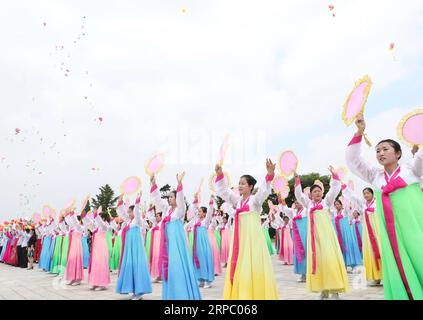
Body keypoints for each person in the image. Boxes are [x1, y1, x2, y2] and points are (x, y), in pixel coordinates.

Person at [346, 113, 423, 300]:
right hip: (391, 237)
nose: (380, 153)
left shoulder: (412, 170)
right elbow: (354, 161)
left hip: (414, 231)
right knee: (399, 270)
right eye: (378, 150)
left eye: (385, 149)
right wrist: (359, 132)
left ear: (398, 153)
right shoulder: (375, 177)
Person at [214, 159, 279, 300]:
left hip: (253, 242)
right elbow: (224, 192)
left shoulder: (255, 201)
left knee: (253, 268)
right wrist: (219, 175)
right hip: (240, 241)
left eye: (243, 183)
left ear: (250, 187)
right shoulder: (237, 201)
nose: (240, 186)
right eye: (239, 183)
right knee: (241, 268)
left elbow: (263, 191)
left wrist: (269, 174)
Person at [294, 167, 349, 300]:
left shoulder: (326, 202)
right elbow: (298, 195)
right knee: (319, 263)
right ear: (310, 195)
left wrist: (335, 177)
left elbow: (334, 190)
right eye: (314, 191)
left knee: (330, 261)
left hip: (327, 239)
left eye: (319, 191)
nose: (317, 193)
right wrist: (297, 181)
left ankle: (335, 290)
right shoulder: (308, 205)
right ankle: (324, 290)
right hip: (314, 240)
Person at [150, 172, 202, 300]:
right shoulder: (166, 209)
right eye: (168, 197)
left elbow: (180, 199)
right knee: (170, 269)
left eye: (171, 197)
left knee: (178, 267)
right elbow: (157, 199)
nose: (169, 199)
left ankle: (183, 295)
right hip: (167, 245)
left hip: (177, 246)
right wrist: (153, 183)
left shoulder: (180, 210)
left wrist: (179, 184)